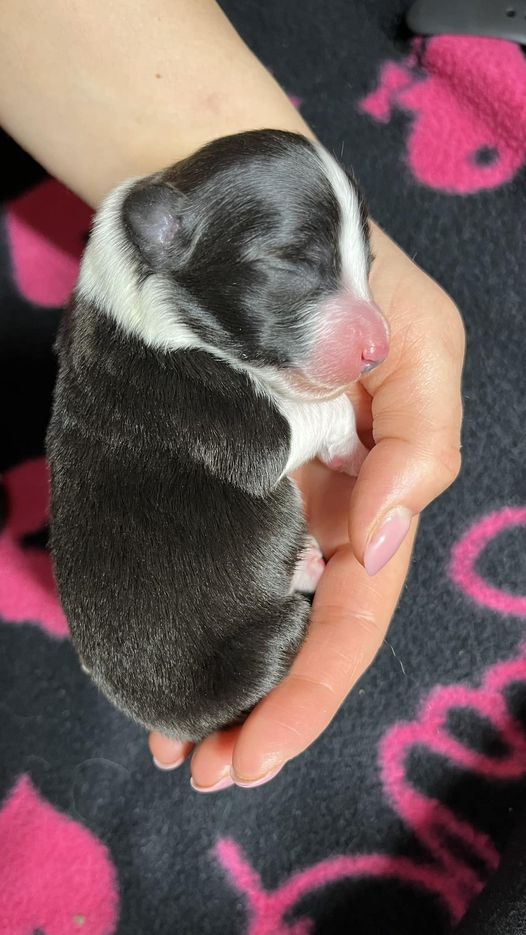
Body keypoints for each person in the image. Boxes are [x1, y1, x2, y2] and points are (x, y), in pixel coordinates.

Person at [0, 0, 465, 791]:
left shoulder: (126, 318)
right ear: (165, 239)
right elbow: (252, 452)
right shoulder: (150, 376)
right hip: (219, 663)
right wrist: (331, 420)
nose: (377, 335)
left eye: (361, 261)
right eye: (305, 267)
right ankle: (279, 591)